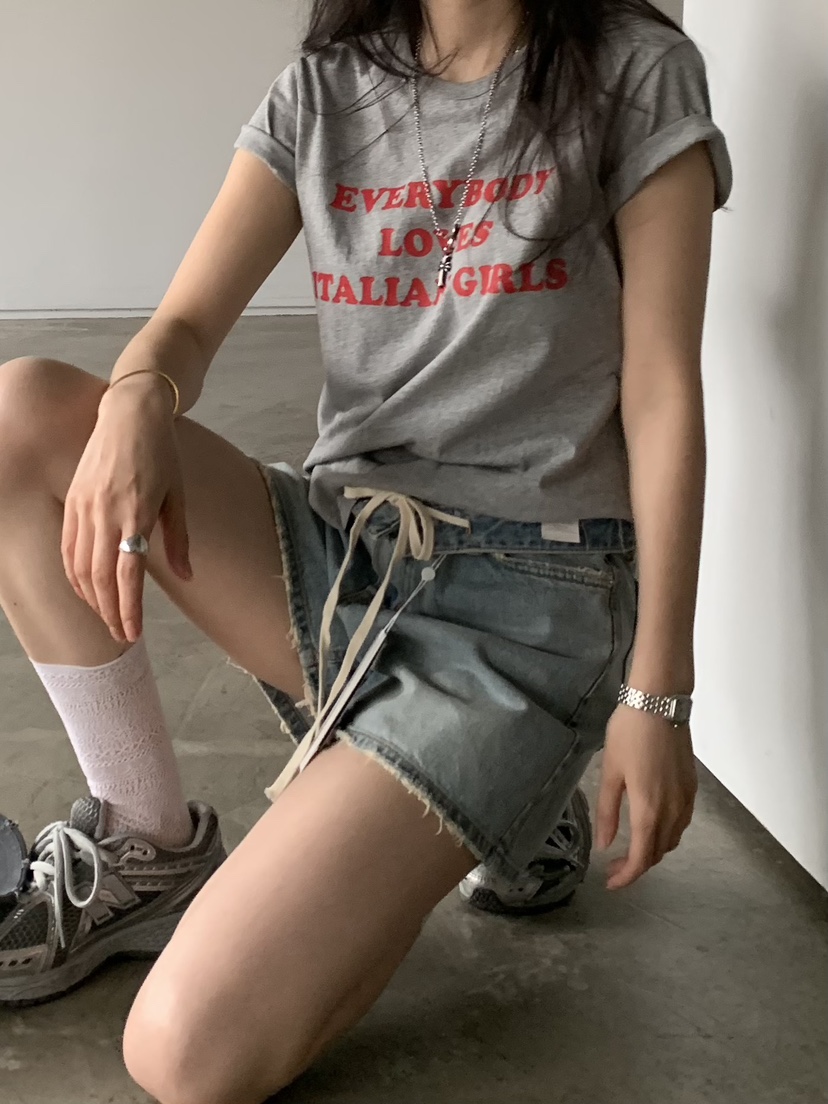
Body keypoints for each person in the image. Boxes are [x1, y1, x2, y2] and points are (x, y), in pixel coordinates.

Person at [0, 0, 732, 1099]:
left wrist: (658, 695)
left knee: (186, 1051)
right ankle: (146, 835)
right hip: (348, 559)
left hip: (526, 606)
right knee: (21, 417)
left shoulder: (637, 72)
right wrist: (140, 393)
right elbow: (185, 326)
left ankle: (506, 791)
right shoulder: (325, 91)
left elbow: (664, 390)